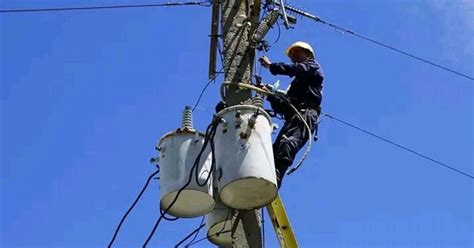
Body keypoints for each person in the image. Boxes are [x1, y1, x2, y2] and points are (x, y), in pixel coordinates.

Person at [259, 41, 324, 188]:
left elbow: (295, 69)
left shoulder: (313, 66)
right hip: (295, 116)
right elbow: (285, 107)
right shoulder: (297, 86)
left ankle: (275, 177)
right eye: (291, 55)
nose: (293, 56)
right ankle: (266, 177)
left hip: (306, 114)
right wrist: (268, 94)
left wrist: (271, 67)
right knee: (275, 149)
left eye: (297, 52)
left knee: (288, 142)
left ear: (308, 55)